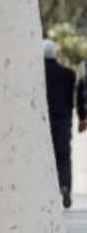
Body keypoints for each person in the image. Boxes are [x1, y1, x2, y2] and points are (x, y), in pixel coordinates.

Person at [44, 39, 77, 208]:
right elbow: (72, 99)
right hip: (63, 121)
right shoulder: (68, 74)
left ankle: (44, 191)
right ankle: (64, 186)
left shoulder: (37, 74)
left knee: (42, 157)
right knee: (63, 156)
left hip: (44, 121)